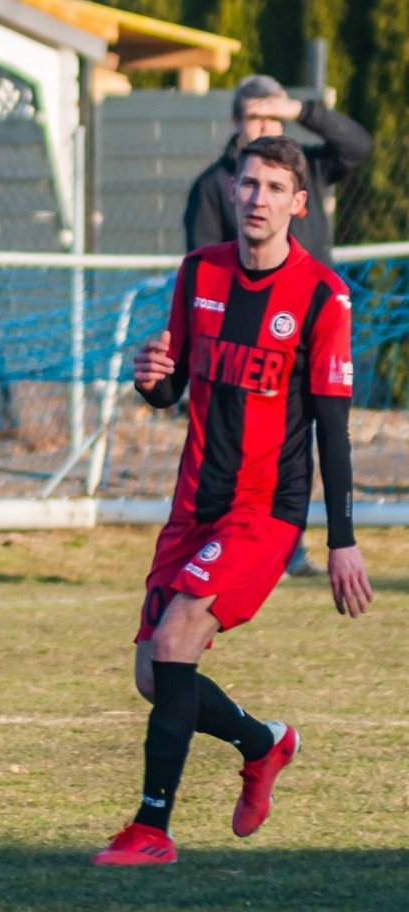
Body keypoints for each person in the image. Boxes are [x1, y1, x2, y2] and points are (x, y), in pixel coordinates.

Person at [94, 137, 372, 866]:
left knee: (180, 633)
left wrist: (341, 536)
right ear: (232, 190)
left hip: (266, 509)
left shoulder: (321, 296)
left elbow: (334, 430)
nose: (257, 198)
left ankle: (152, 828)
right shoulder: (198, 273)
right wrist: (149, 378)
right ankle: (264, 743)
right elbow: (170, 386)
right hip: (193, 505)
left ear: (298, 205)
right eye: (248, 184)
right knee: (154, 674)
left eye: (274, 187)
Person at [184, 75, 372, 578]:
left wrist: (304, 109)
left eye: (273, 115)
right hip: (241, 343)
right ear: (235, 124)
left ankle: (289, 539)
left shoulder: (304, 164)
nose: (261, 199)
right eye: (254, 117)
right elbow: (201, 267)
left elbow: (359, 145)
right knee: (242, 437)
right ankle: (230, 537)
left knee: (318, 425)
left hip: (308, 324)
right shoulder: (212, 185)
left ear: (298, 198)